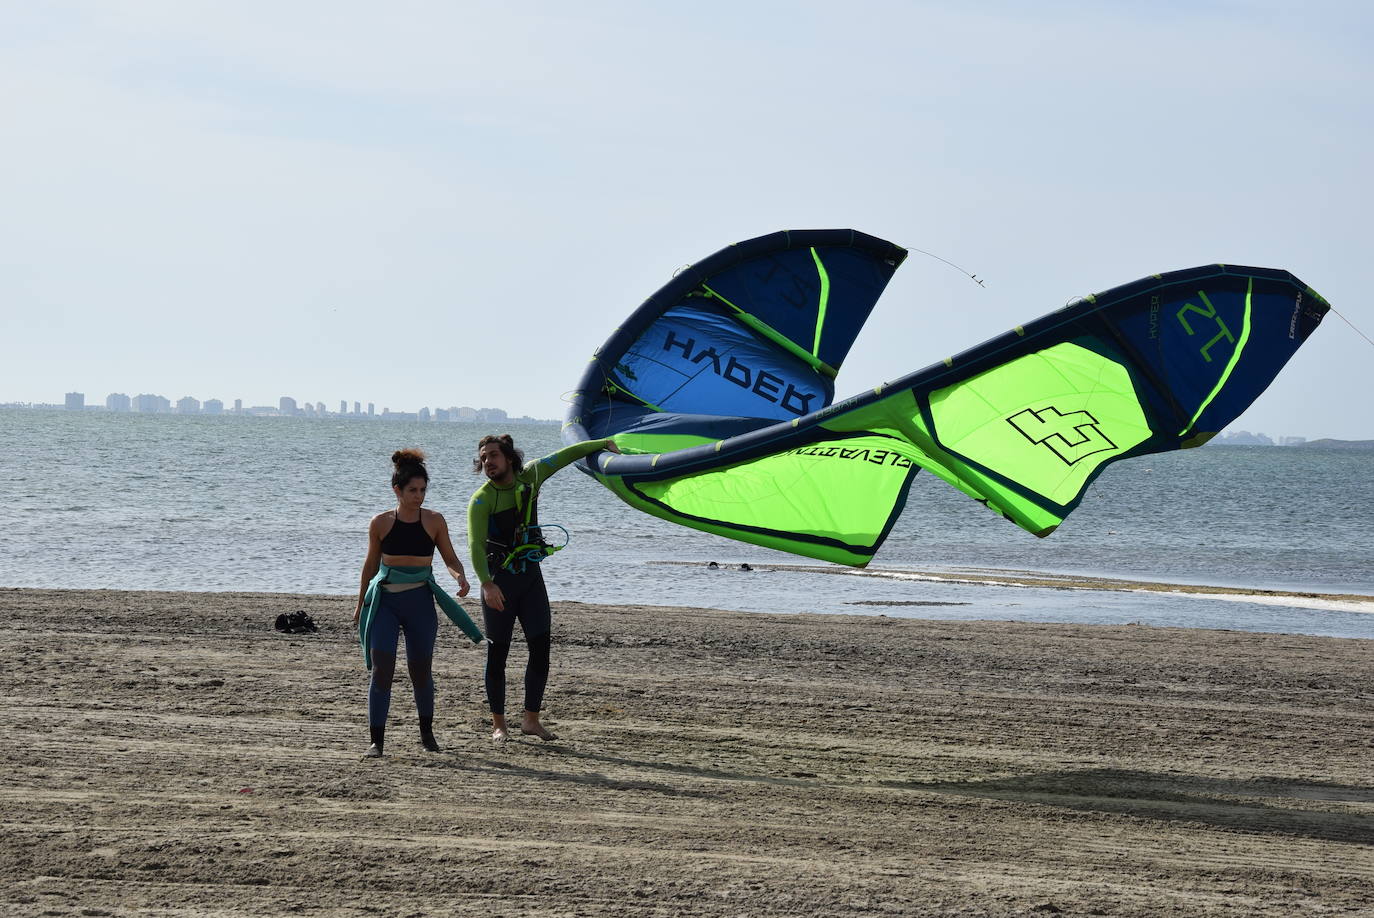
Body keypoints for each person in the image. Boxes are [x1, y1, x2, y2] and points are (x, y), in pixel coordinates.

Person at [469, 433, 618, 741]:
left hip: (530, 578)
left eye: (493, 456)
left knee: (541, 650)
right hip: (500, 583)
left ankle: (531, 720)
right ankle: (499, 725)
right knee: (498, 655)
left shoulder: (532, 476)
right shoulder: (481, 500)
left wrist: (602, 443)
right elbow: (475, 546)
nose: (488, 463)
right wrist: (486, 584)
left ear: (509, 458)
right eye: (483, 458)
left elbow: (565, 456)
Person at [353, 449, 483, 757]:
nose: (419, 496)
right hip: (385, 602)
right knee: (381, 671)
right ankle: (377, 742)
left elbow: (450, 559)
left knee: (421, 671)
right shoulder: (381, 523)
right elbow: (370, 566)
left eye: (423, 490)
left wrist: (460, 577)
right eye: (412, 490)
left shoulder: (435, 521)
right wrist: (361, 605)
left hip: (420, 603)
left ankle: (427, 736)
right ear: (396, 490)